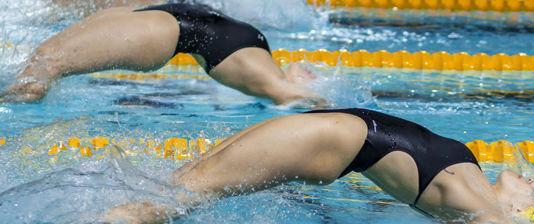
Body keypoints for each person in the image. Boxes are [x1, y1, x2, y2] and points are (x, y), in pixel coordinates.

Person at [103, 108, 534, 224]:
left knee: (176, 198)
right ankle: (93, 213)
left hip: (321, 139)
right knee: (177, 184)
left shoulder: (489, 215)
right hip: (326, 127)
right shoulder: (473, 178)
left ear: (521, 213)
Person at [2, 3, 320, 105]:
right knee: (286, 93)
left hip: (176, 28)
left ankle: (304, 92)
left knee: (41, 70)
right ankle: (289, 80)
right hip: (221, 28)